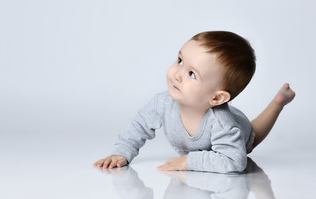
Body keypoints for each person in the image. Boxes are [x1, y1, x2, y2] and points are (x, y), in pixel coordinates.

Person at [93, 31, 295, 173]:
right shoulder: (162, 103)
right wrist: (122, 153)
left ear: (216, 98)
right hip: (221, 130)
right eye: (180, 60)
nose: (177, 75)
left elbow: (234, 161)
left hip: (239, 131)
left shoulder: (223, 125)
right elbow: (138, 126)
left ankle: (277, 103)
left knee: (252, 136)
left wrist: (189, 161)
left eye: (191, 74)